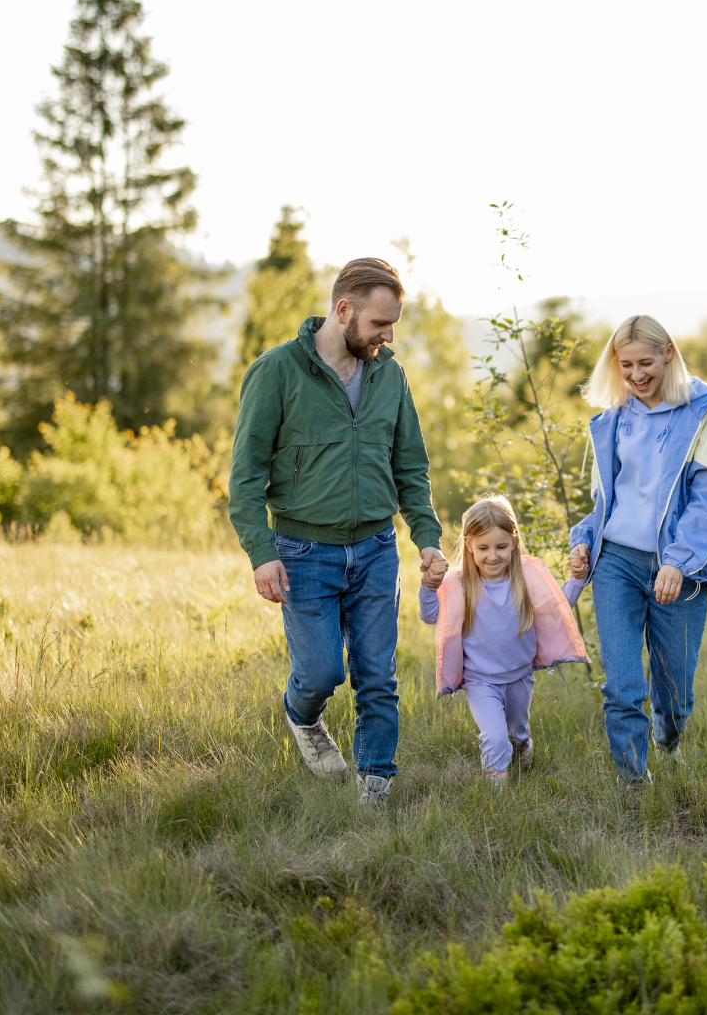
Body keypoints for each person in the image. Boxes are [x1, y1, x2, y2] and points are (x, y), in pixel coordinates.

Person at [228, 257, 448, 808]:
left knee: (378, 675)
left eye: (393, 323)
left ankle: (376, 787)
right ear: (343, 309)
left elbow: (410, 468)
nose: (387, 336)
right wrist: (261, 553)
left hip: (376, 549)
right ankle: (303, 717)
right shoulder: (276, 372)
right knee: (322, 672)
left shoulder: (389, 375)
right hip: (303, 552)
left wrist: (427, 538)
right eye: (379, 323)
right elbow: (246, 476)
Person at [568, 315, 707, 784]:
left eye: (647, 362)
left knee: (674, 688)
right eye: (626, 365)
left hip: (678, 566)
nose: (637, 374)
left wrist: (678, 563)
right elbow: (608, 503)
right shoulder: (614, 419)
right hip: (617, 563)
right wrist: (584, 539)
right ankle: (633, 785)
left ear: (669, 353)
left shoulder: (706, 414)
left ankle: (668, 740)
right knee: (623, 687)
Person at [419, 496, 588, 787]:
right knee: (495, 738)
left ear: (514, 543)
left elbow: (556, 605)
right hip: (480, 680)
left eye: (501, 547)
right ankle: (496, 791)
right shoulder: (459, 583)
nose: (493, 556)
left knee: (516, 732)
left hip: (519, 676)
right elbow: (431, 615)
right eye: (483, 548)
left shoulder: (524, 578)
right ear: (469, 545)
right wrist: (428, 587)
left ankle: (521, 747)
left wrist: (577, 579)